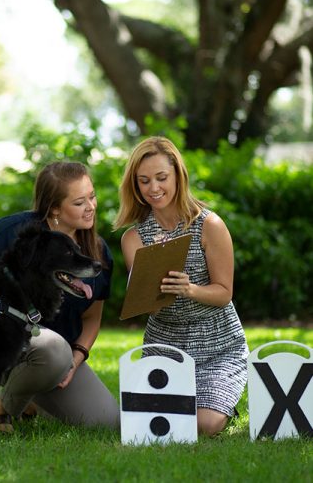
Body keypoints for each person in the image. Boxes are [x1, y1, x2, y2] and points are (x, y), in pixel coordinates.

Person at [0, 161, 120, 432]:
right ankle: (1, 408)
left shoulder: (97, 250)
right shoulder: (15, 232)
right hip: (6, 347)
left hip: (59, 359)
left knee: (106, 423)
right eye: (80, 202)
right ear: (55, 208)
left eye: (92, 197)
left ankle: (32, 399)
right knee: (52, 349)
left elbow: (93, 317)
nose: (91, 206)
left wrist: (76, 358)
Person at [114, 136, 248, 436]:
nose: (153, 188)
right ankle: (202, 399)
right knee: (142, 424)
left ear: (178, 175)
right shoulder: (133, 239)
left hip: (217, 344)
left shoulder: (209, 225)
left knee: (204, 424)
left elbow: (224, 293)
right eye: (144, 181)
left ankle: (220, 402)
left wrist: (191, 290)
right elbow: (145, 302)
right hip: (165, 342)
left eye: (162, 178)